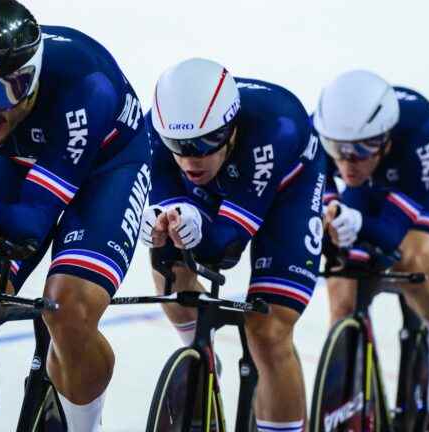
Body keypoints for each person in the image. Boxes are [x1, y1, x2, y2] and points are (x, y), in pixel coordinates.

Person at [0, 1, 150, 430]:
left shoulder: (86, 85)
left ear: (32, 77)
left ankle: (81, 424)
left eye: (2, 91)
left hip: (107, 168)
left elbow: (34, 220)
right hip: (19, 158)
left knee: (67, 308)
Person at [141, 58, 324, 431]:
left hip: (288, 193)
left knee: (268, 331)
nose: (192, 159)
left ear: (232, 126)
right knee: (166, 252)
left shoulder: (277, 125)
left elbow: (226, 246)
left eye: (207, 143)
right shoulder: (152, 131)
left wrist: (197, 224)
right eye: (178, 146)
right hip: (222, 187)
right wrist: (169, 218)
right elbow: (164, 200)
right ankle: (199, 347)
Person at [313, 70, 429, 422]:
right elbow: (316, 199)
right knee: (342, 288)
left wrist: (356, 223)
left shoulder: (421, 131)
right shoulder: (324, 135)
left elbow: (390, 233)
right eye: (336, 150)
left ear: (384, 139)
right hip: (375, 182)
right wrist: (332, 216)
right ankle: (347, 400)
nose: (346, 162)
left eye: (360, 150)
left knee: (410, 263)